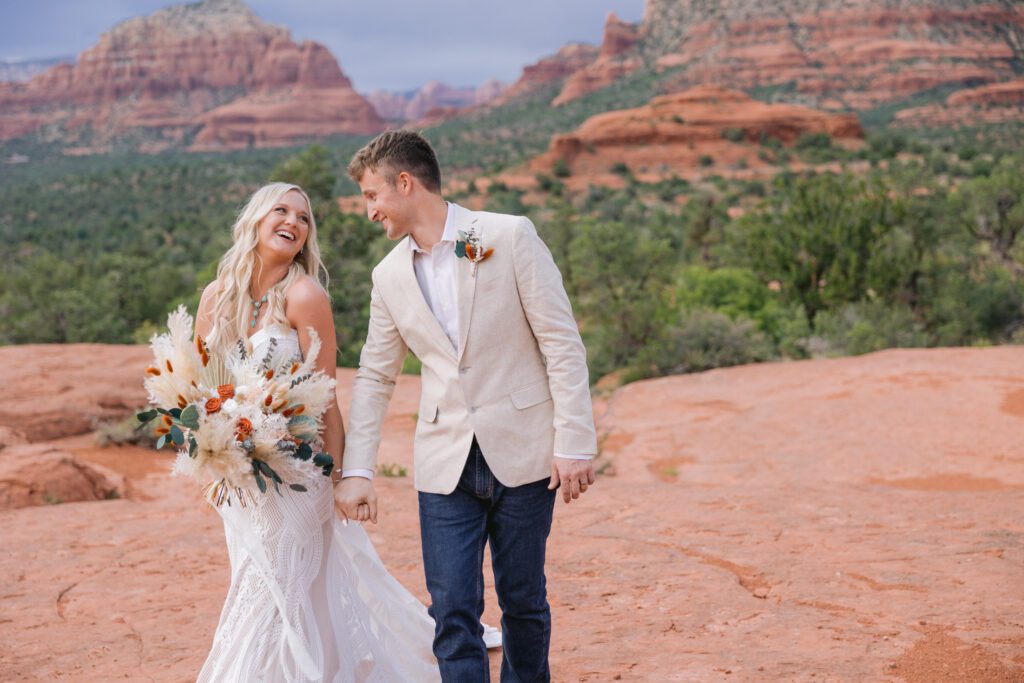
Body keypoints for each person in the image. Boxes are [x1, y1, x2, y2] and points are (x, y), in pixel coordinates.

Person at [337, 130, 598, 682]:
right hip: (444, 460)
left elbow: (561, 342)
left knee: (524, 602)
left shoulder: (509, 235)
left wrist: (574, 443)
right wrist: (357, 469)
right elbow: (376, 375)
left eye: (371, 195)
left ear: (404, 183)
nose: (369, 211)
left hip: (526, 451)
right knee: (453, 609)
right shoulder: (387, 276)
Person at [192, 182, 443, 681]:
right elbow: (203, 390)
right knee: (262, 577)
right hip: (240, 480)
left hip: (297, 472)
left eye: (304, 218)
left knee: (279, 585)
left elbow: (324, 396)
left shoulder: (304, 295)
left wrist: (344, 476)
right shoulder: (216, 297)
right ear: (256, 220)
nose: (294, 222)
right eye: (281, 211)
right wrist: (213, 450)